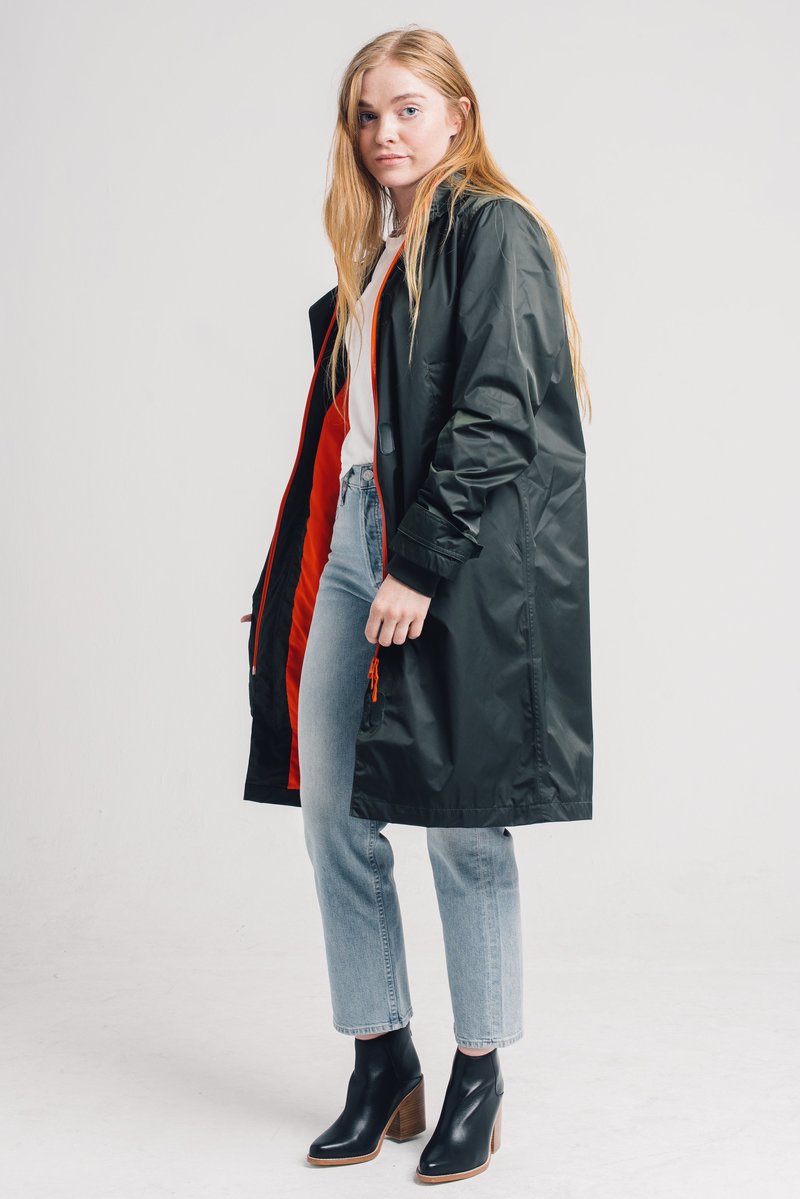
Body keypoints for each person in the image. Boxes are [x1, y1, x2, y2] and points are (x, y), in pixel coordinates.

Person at [240, 26, 593, 1185]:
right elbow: (346, 438)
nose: (382, 132)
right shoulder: (377, 253)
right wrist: (304, 574)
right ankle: (379, 1055)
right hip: (355, 541)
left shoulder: (492, 230)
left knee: (461, 820)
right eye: (365, 114)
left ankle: (477, 1071)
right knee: (331, 814)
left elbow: (496, 409)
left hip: (451, 555)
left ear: (456, 114)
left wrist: (421, 563)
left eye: (404, 108)